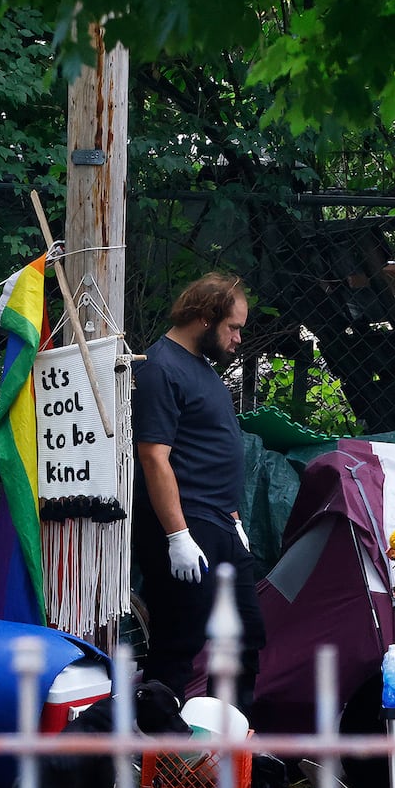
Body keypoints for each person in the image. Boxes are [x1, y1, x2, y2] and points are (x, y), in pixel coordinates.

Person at [131, 273, 266, 713]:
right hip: (187, 527)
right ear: (206, 319)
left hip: (221, 524)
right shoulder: (159, 367)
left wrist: (237, 521)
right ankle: (156, 757)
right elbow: (154, 457)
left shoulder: (201, 369)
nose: (238, 338)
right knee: (179, 641)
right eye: (233, 327)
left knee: (243, 637)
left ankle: (226, 748)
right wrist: (176, 536)